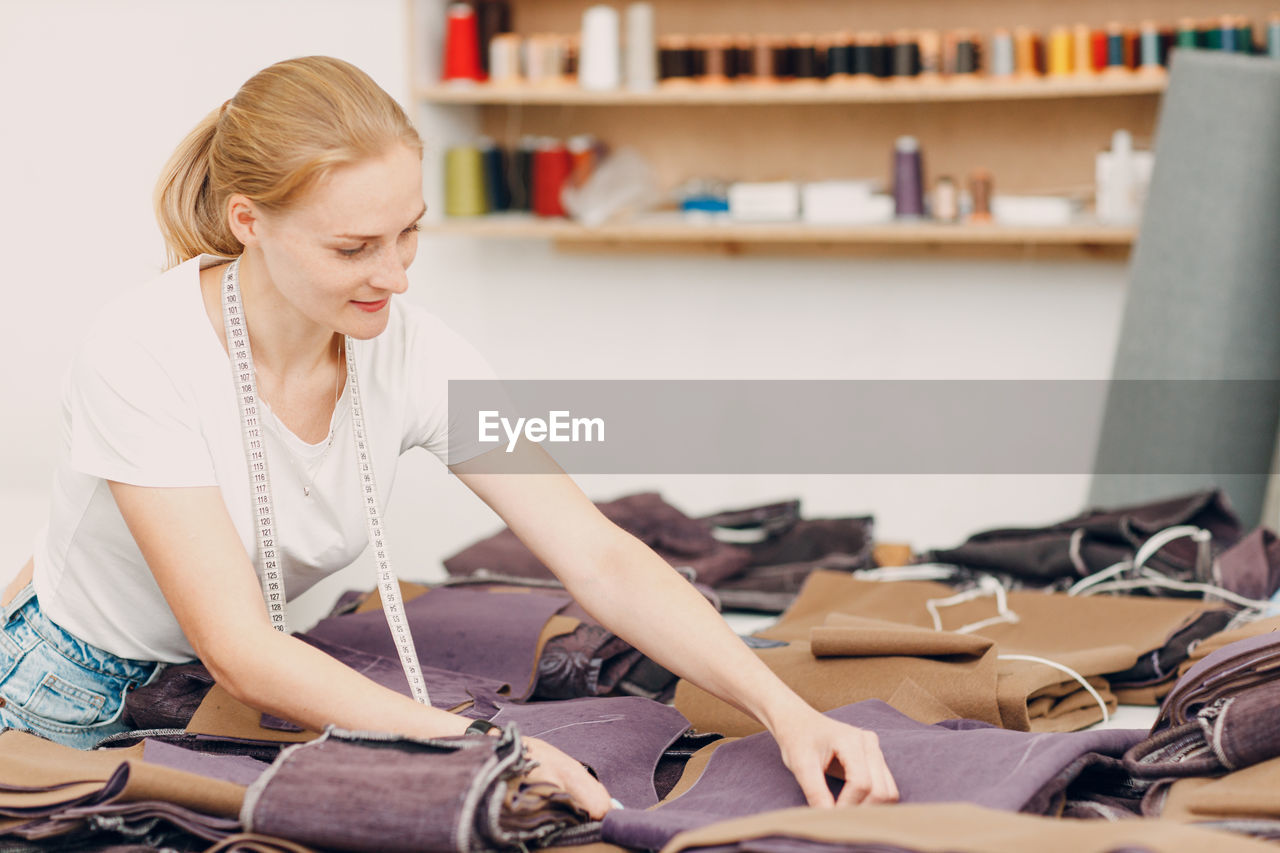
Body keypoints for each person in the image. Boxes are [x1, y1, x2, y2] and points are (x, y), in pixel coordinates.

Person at [0, 56, 897, 817]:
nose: (392, 275)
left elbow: (599, 557)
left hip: (214, 691)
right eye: (354, 248)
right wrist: (481, 745)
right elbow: (240, 643)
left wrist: (787, 713)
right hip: (66, 693)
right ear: (249, 222)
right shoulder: (143, 349)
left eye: (409, 234)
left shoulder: (409, 351)